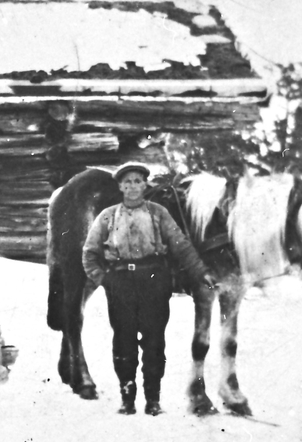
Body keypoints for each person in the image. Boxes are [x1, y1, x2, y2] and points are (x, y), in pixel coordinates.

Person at [82, 162, 218, 416]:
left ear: (145, 185)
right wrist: (104, 280)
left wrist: (201, 272)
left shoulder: (158, 213)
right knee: (123, 342)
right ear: (120, 186)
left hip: (154, 280)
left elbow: (181, 245)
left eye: (137, 181)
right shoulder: (108, 216)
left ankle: (152, 400)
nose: (133, 186)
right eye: (127, 182)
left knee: (154, 342)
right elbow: (89, 253)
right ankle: (127, 398)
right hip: (120, 282)